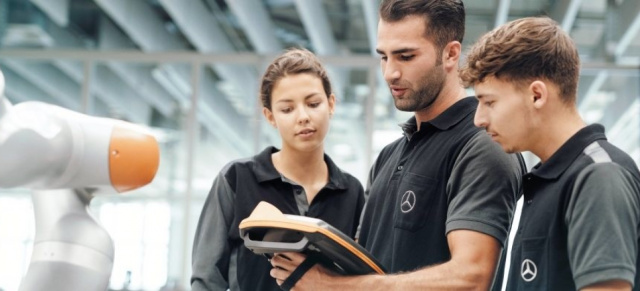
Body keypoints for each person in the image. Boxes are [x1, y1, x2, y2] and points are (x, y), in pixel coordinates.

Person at [269, 1, 524, 289]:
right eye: (384, 57)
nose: (390, 73)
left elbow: (471, 277)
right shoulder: (388, 157)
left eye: (405, 56)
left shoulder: (482, 146)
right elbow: (368, 267)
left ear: (451, 54)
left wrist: (330, 286)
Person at [460, 16, 640, 290]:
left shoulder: (598, 177)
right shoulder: (544, 182)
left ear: (537, 95)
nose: (479, 119)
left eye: (489, 102)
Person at [190, 48, 366, 290]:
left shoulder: (352, 191)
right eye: (287, 109)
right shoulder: (236, 179)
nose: (303, 116)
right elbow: (206, 279)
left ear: (331, 104)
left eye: (313, 103)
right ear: (270, 116)